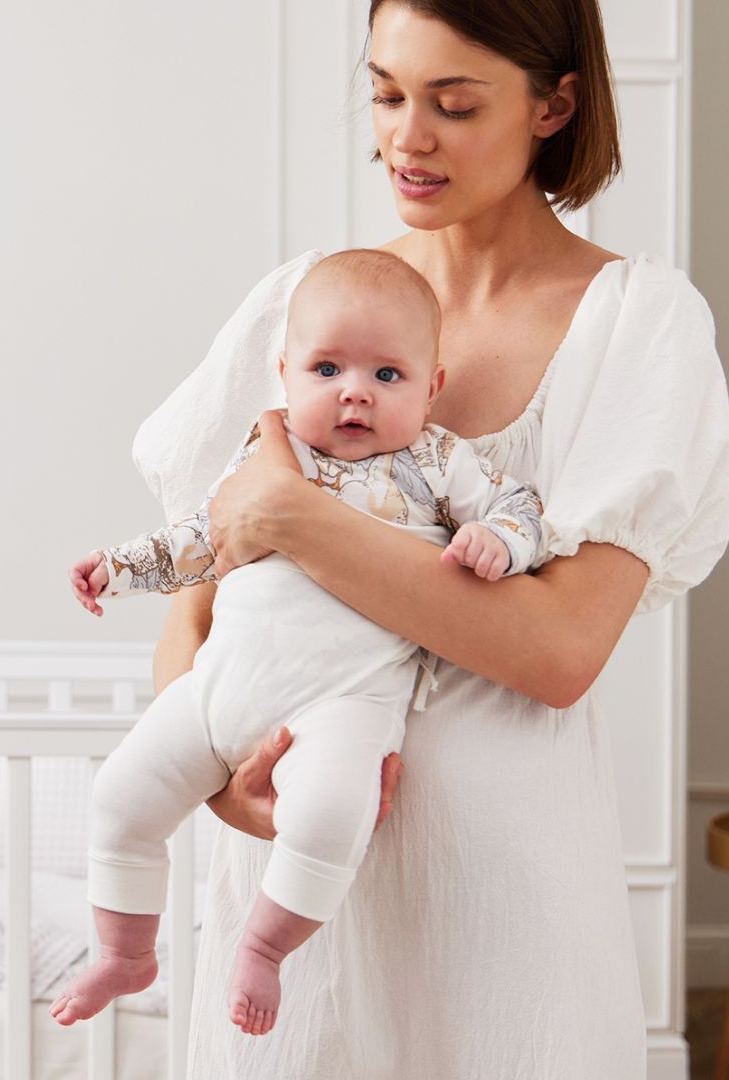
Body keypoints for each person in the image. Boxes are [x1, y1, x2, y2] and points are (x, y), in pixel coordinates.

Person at [133, 0, 729, 1080]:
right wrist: (220, 784)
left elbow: (558, 649)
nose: (407, 138)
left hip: (501, 908)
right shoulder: (308, 308)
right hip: (295, 909)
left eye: (454, 104)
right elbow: (194, 615)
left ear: (554, 105)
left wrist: (296, 516)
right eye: (386, 94)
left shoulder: (637, 325)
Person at [50, 250, 545, 1035]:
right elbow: (203, 538)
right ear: (285, 375)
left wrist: (499, 541)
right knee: (119, 796)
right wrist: (119, 569)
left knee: (328, 814)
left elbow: (520, 506)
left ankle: (264, 947)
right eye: (327, 369)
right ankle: (125, 951)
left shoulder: (434, 461)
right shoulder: (267, 451)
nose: (355, 391)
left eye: (388, 375)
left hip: (342, 702)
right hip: (220, 688)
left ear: (432, 387)